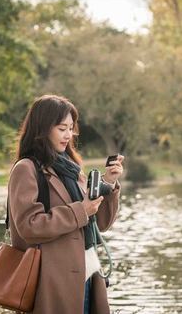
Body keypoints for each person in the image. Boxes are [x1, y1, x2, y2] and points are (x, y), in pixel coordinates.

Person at [8, 94, 124, 314]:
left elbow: (98, 224)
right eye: (62, 128)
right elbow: (29, 226)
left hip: (87, 275)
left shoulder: (71, 168)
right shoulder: (26, 169)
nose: (68, 135)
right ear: (42, 129)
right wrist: (80, 210)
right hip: (51, 282)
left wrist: (108, 184)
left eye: (71, 128)